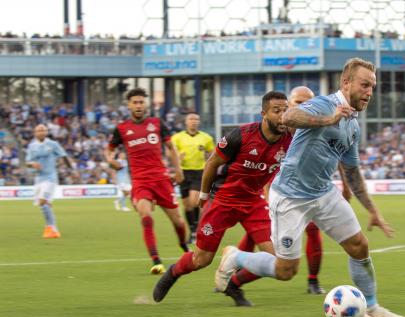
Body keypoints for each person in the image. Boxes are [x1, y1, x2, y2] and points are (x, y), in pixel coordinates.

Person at [217, 58, 405, 317]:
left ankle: (372, 307)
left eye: (372, 87)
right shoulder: (325, 104)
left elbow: (351, 172)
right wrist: (328, 119)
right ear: (346, 82)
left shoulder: (352, 125)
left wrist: (373, 211)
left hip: (323, 192)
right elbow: (290, 116)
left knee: (359, 246)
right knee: (286, 271)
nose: (369, 92)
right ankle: (236, 256)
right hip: (290, 197)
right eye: (364, 85)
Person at [152, 91, 292, 305]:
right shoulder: (242, 135)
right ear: (264, 113)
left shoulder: (291, 141)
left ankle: (234, 284)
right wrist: (204, 194)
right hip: (223, 200)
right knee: (202, 260)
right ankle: (173, 272)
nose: (283, 115)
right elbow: (212, 163)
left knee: (279, 264)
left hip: (254, 203)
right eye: (277, 111)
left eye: (286, 110)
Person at [230, 85, 352, 295]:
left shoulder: (318, 128)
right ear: (289, 105)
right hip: (278, 193)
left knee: (312, 232)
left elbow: (337, 155)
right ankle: (234, 272)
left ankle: (313, 281)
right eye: (298, 102)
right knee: (260, 236)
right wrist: (266, 195)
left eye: (308, 102)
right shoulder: (280, 130)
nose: (305, 106)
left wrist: (345, 185)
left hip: (309, 191)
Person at [104, 88, 188, 275]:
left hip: (161, 179)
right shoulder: (122, 129)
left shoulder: (157, 123)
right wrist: (110, 160)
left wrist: (178, 169)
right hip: (140, 181)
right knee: (145, 215)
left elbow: (171, 148)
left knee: (179, 223)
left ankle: (183, 245)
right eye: (135, 102)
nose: (138, 105)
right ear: (129, 105)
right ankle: (156, 260)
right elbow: (108, 150)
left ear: (146, 104)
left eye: (141, 102)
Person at [171, 113, 215, 242]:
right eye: (191, 119)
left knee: (194, 200)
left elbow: (212, 154)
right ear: (186, 122)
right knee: (187, 206)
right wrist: (178, 159)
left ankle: (195, 228)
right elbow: (171, 153)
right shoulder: (177, 138)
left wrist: (210, 163)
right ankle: (192, 229)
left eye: (196, 119)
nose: (194, 121)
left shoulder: (206, 138)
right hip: (183, 172)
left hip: (199, 172)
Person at [25, 124, 73, 238]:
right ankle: (53, 228)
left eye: (43, 130)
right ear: (35, 133)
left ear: (46, 132)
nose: (41, 132)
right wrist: (32, 164)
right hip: (38, 179)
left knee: (43, 201)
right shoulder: (32, 146)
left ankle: (50, 228)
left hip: (50, 178)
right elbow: (27, 162)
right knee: (44, 205)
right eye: (39, 130)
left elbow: (64, 155)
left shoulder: (53, 144)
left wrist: (70, 167)